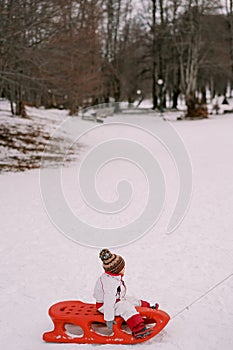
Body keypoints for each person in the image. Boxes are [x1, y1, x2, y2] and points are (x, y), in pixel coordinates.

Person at [93, 248, 159, 339]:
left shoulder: (113, 277)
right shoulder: (109, 283)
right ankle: (138, 329)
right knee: (126, 307)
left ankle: (147, 308)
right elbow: (109, 301)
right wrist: (109, 318)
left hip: (117, 299)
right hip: (105, 306)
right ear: (116, 270)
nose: (124, 269)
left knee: (131, 299)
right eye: (123, 268)